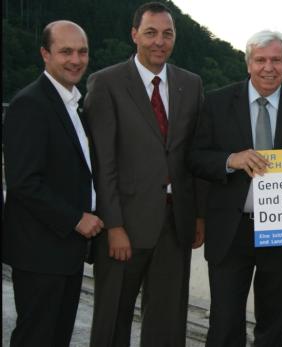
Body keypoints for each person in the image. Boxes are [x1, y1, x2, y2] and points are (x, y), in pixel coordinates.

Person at [188, 30, 282, 347]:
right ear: (248, 64)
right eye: (260, 60)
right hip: (231, 231)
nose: (268, 67)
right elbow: (194, 158)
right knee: (223, 326)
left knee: (274, 328)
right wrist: (230, 160)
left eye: (276, 59)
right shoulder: (217, 102)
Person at [84, 2, 206, 346]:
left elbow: (192, 156)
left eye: (167, 34)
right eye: (150, 32)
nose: (159, 41)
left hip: (175, 225)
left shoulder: (191, 84)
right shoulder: (106, 83)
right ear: (134, 34)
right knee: (112, 320)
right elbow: (102, 163)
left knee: (167, 325)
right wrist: (114, 226)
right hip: (125, 226)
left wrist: (198, 215)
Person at [2, 20, 104, 346]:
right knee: (36, 337)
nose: (76, 60)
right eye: (66, 52)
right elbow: (23, 182)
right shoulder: (30, 103)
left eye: (82, 52)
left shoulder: (74, 104)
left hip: (66, 252)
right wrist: (75, 218)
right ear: (45, 54)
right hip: (39, 253)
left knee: (57, 336)